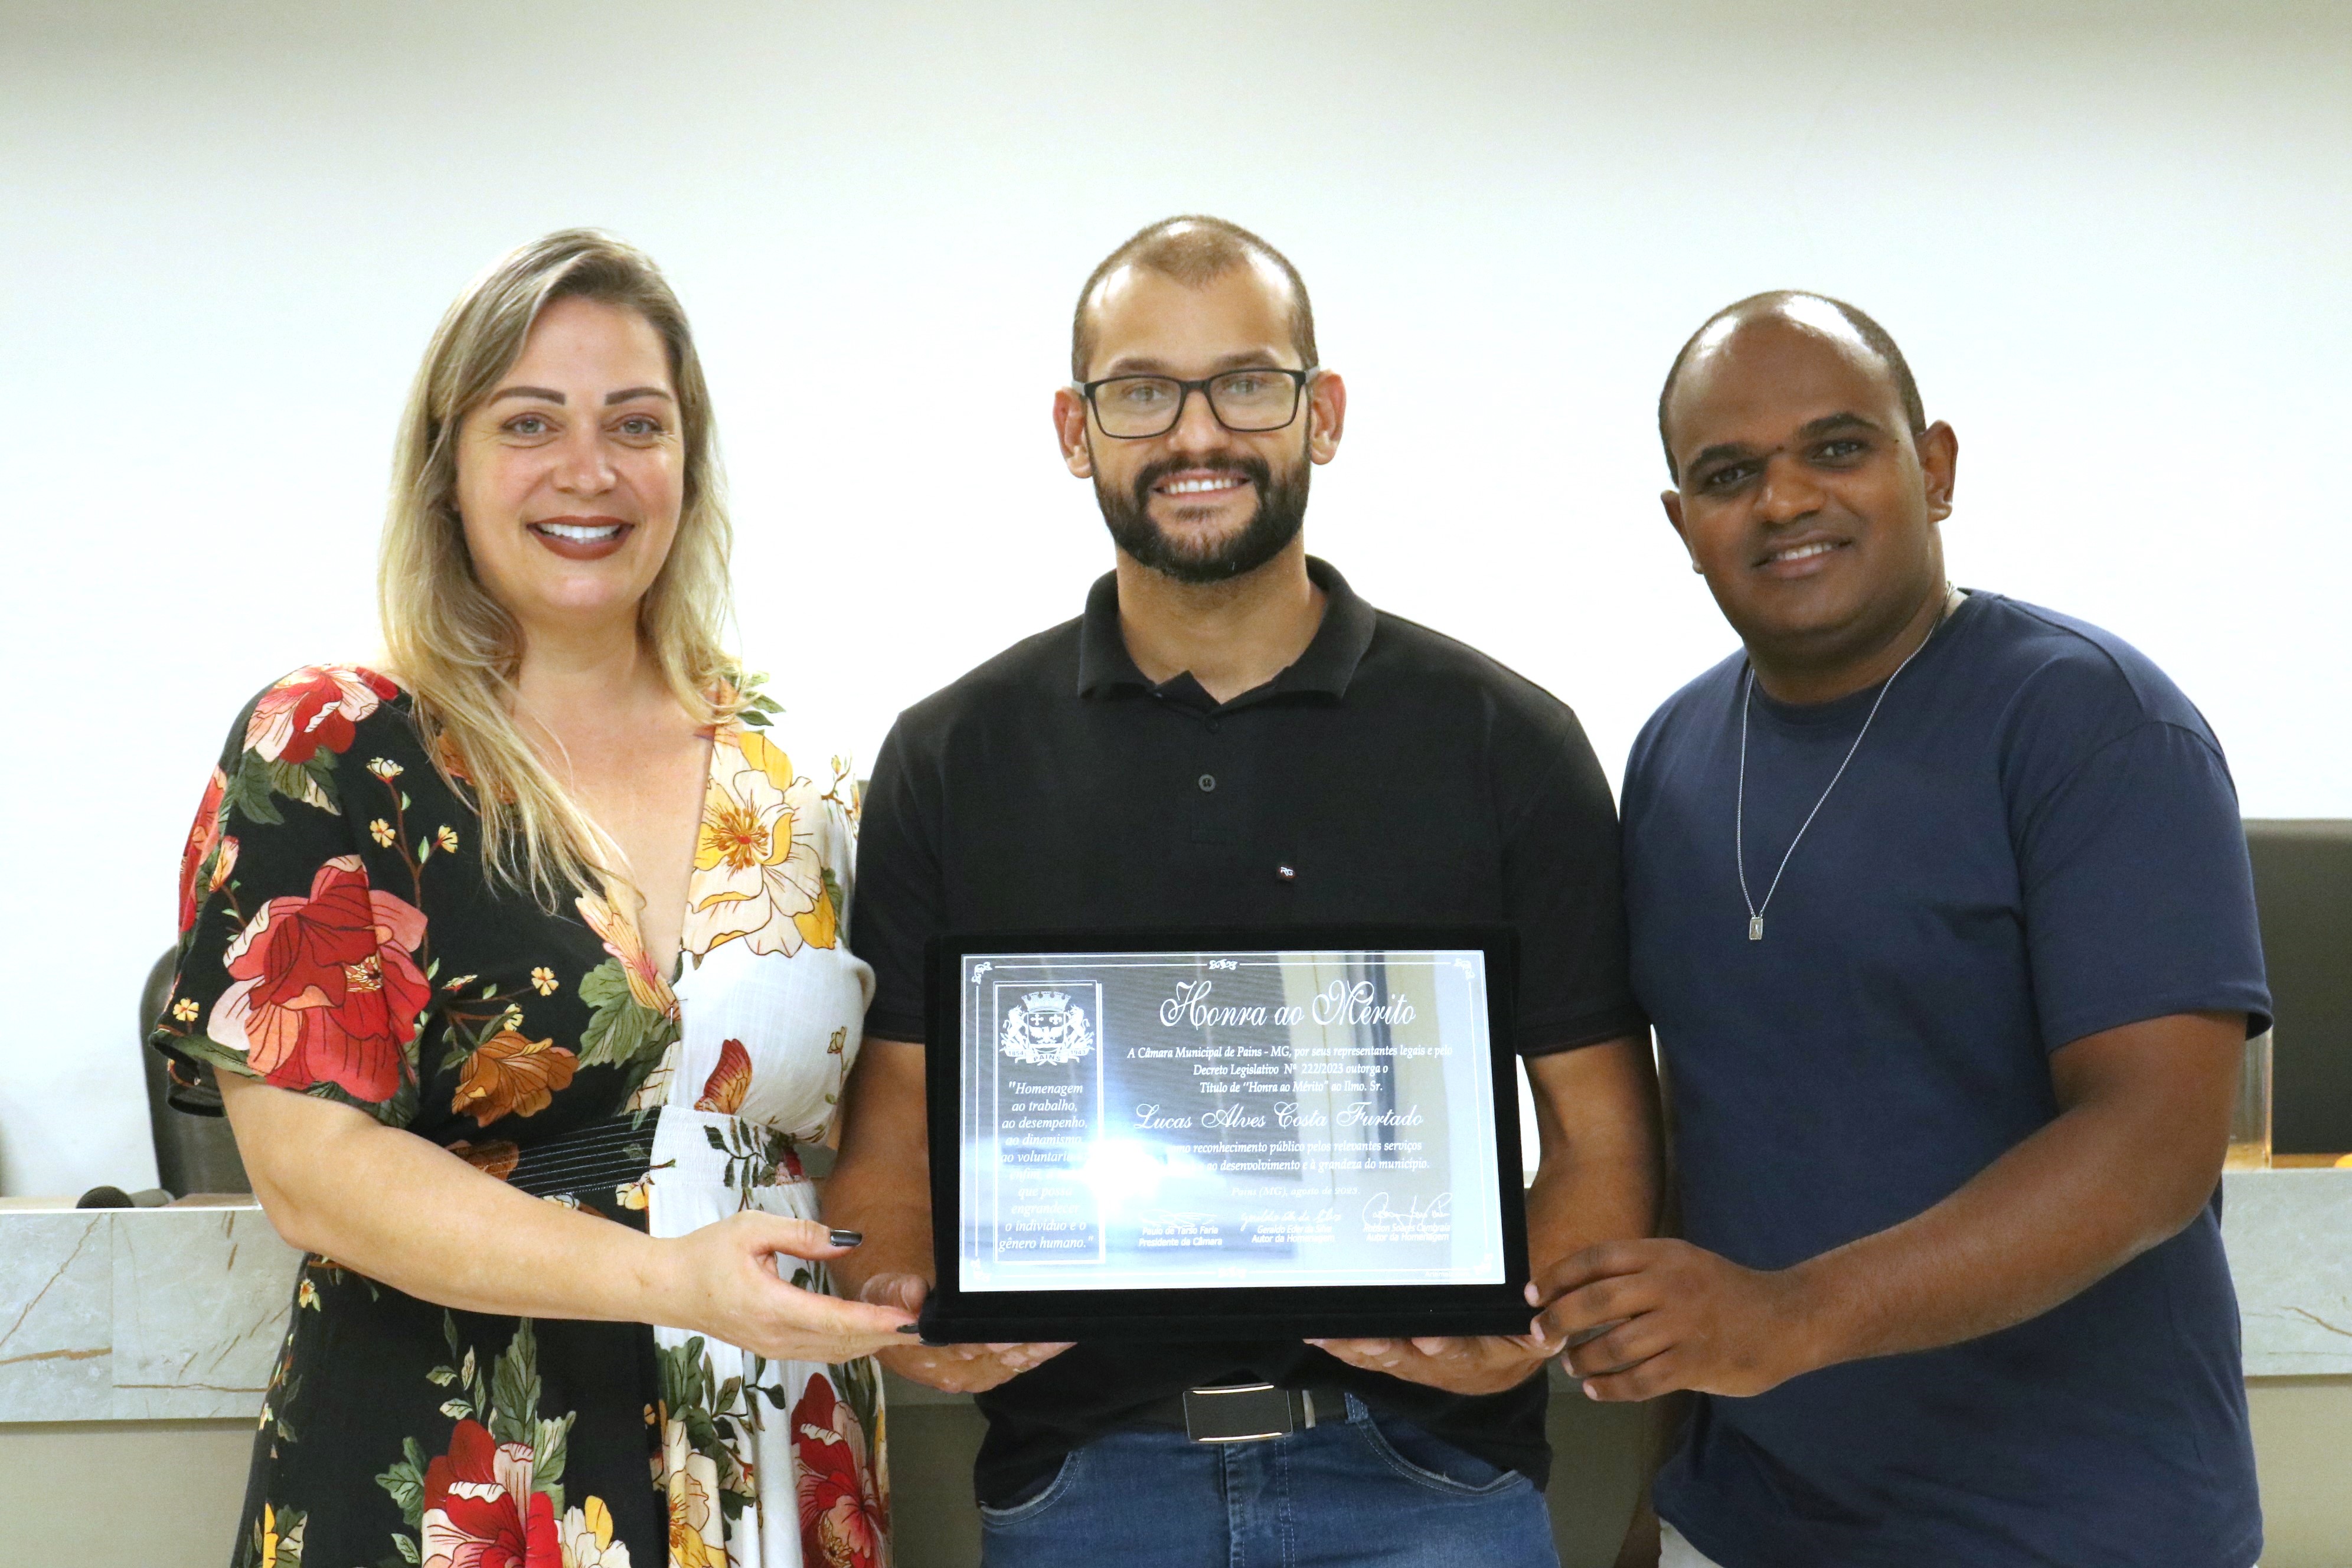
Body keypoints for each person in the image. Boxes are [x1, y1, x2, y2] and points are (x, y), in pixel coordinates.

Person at [822, 214, 1661, 1568]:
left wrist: (1520, 1326)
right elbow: (892, 1134)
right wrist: (905, 1303)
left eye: (1248, 384)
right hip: (1081, 1484)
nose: (1197, 431)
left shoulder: (1505, 737)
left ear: (1323, 413)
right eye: (1143, 391)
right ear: (1075, 429)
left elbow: (1602, 1129)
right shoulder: (953, 752)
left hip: (1433, 1476)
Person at [150, 230, 913, 1568]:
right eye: (529, 422)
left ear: (688, 461)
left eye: (637, 423)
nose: (589, 469)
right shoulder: (334, 745)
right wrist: (670, 1280)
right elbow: (314, 1174)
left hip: (772, 1453)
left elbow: (873, 1140)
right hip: (455, 1472)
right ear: (446, 468)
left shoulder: (803, 780)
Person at [1541, 292, 2271, 1567]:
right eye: (1729, 473)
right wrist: (1667, 1490)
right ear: (1682, 523)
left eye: (1837, 448)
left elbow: (2154, 1141)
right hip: (1751, 1520)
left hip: (2075, 1528)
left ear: (1933, 469)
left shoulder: (2095, 725)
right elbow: (1703, 1141)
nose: (1784, 500)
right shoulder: (1673, 755)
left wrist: (1789, 1315)